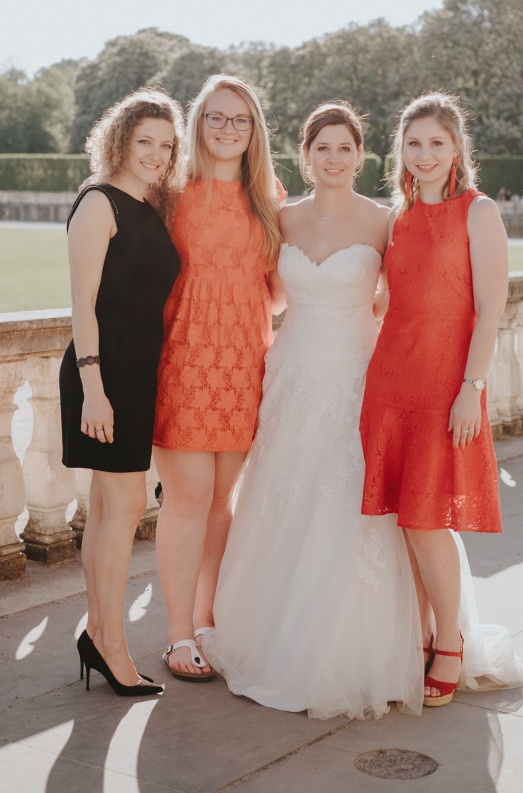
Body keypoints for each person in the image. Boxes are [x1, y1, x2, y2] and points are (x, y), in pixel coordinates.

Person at [203, 101, 424, 718]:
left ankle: (353, 646)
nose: (333, 158)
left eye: (344, 148)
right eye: (322, 148)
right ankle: (269, 634)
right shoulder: (282, 218)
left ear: (361, 156)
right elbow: (270, 296)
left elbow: (396, 299)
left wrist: (352, 323)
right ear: (305, 156)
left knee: (349, 497)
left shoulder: (384, 221)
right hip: (293, 373)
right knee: (285, 492)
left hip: (357, 374)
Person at [360, 92, 523, 707]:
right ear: (400, 150)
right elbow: (390, 301)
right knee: (404, 521)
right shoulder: (397, 217)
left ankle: (451, 645)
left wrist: (470, 389)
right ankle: (426, 636)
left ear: (457, 147)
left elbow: (490, 310)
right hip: (389, 382)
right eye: (413, 143)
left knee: (427, 522)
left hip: (444, 387)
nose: (424, 154)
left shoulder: (478, 212)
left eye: (436, 142)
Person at [152, 74, 284, 681]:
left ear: (254, 130)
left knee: (220, 505)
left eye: (241, 119)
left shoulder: (269, 195)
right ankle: (178, 634)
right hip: (182, 361)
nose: (229, 129)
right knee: (186, 500)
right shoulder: (170, 191)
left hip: (244, 364)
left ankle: (207, 622)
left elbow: (278, 293)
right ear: (199, 123)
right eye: (217, 117)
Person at [60, 88, 183, 696]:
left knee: (109, 510)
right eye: (145, 142)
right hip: (102, 378)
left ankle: (97, 634)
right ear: (120, 141)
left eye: (166, 145)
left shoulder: (149, 204)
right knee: (127, 506)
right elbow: (82, 305)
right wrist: (94, 389)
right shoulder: (98, 202)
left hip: (134, 377)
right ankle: (111, 646)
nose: (156, 154)